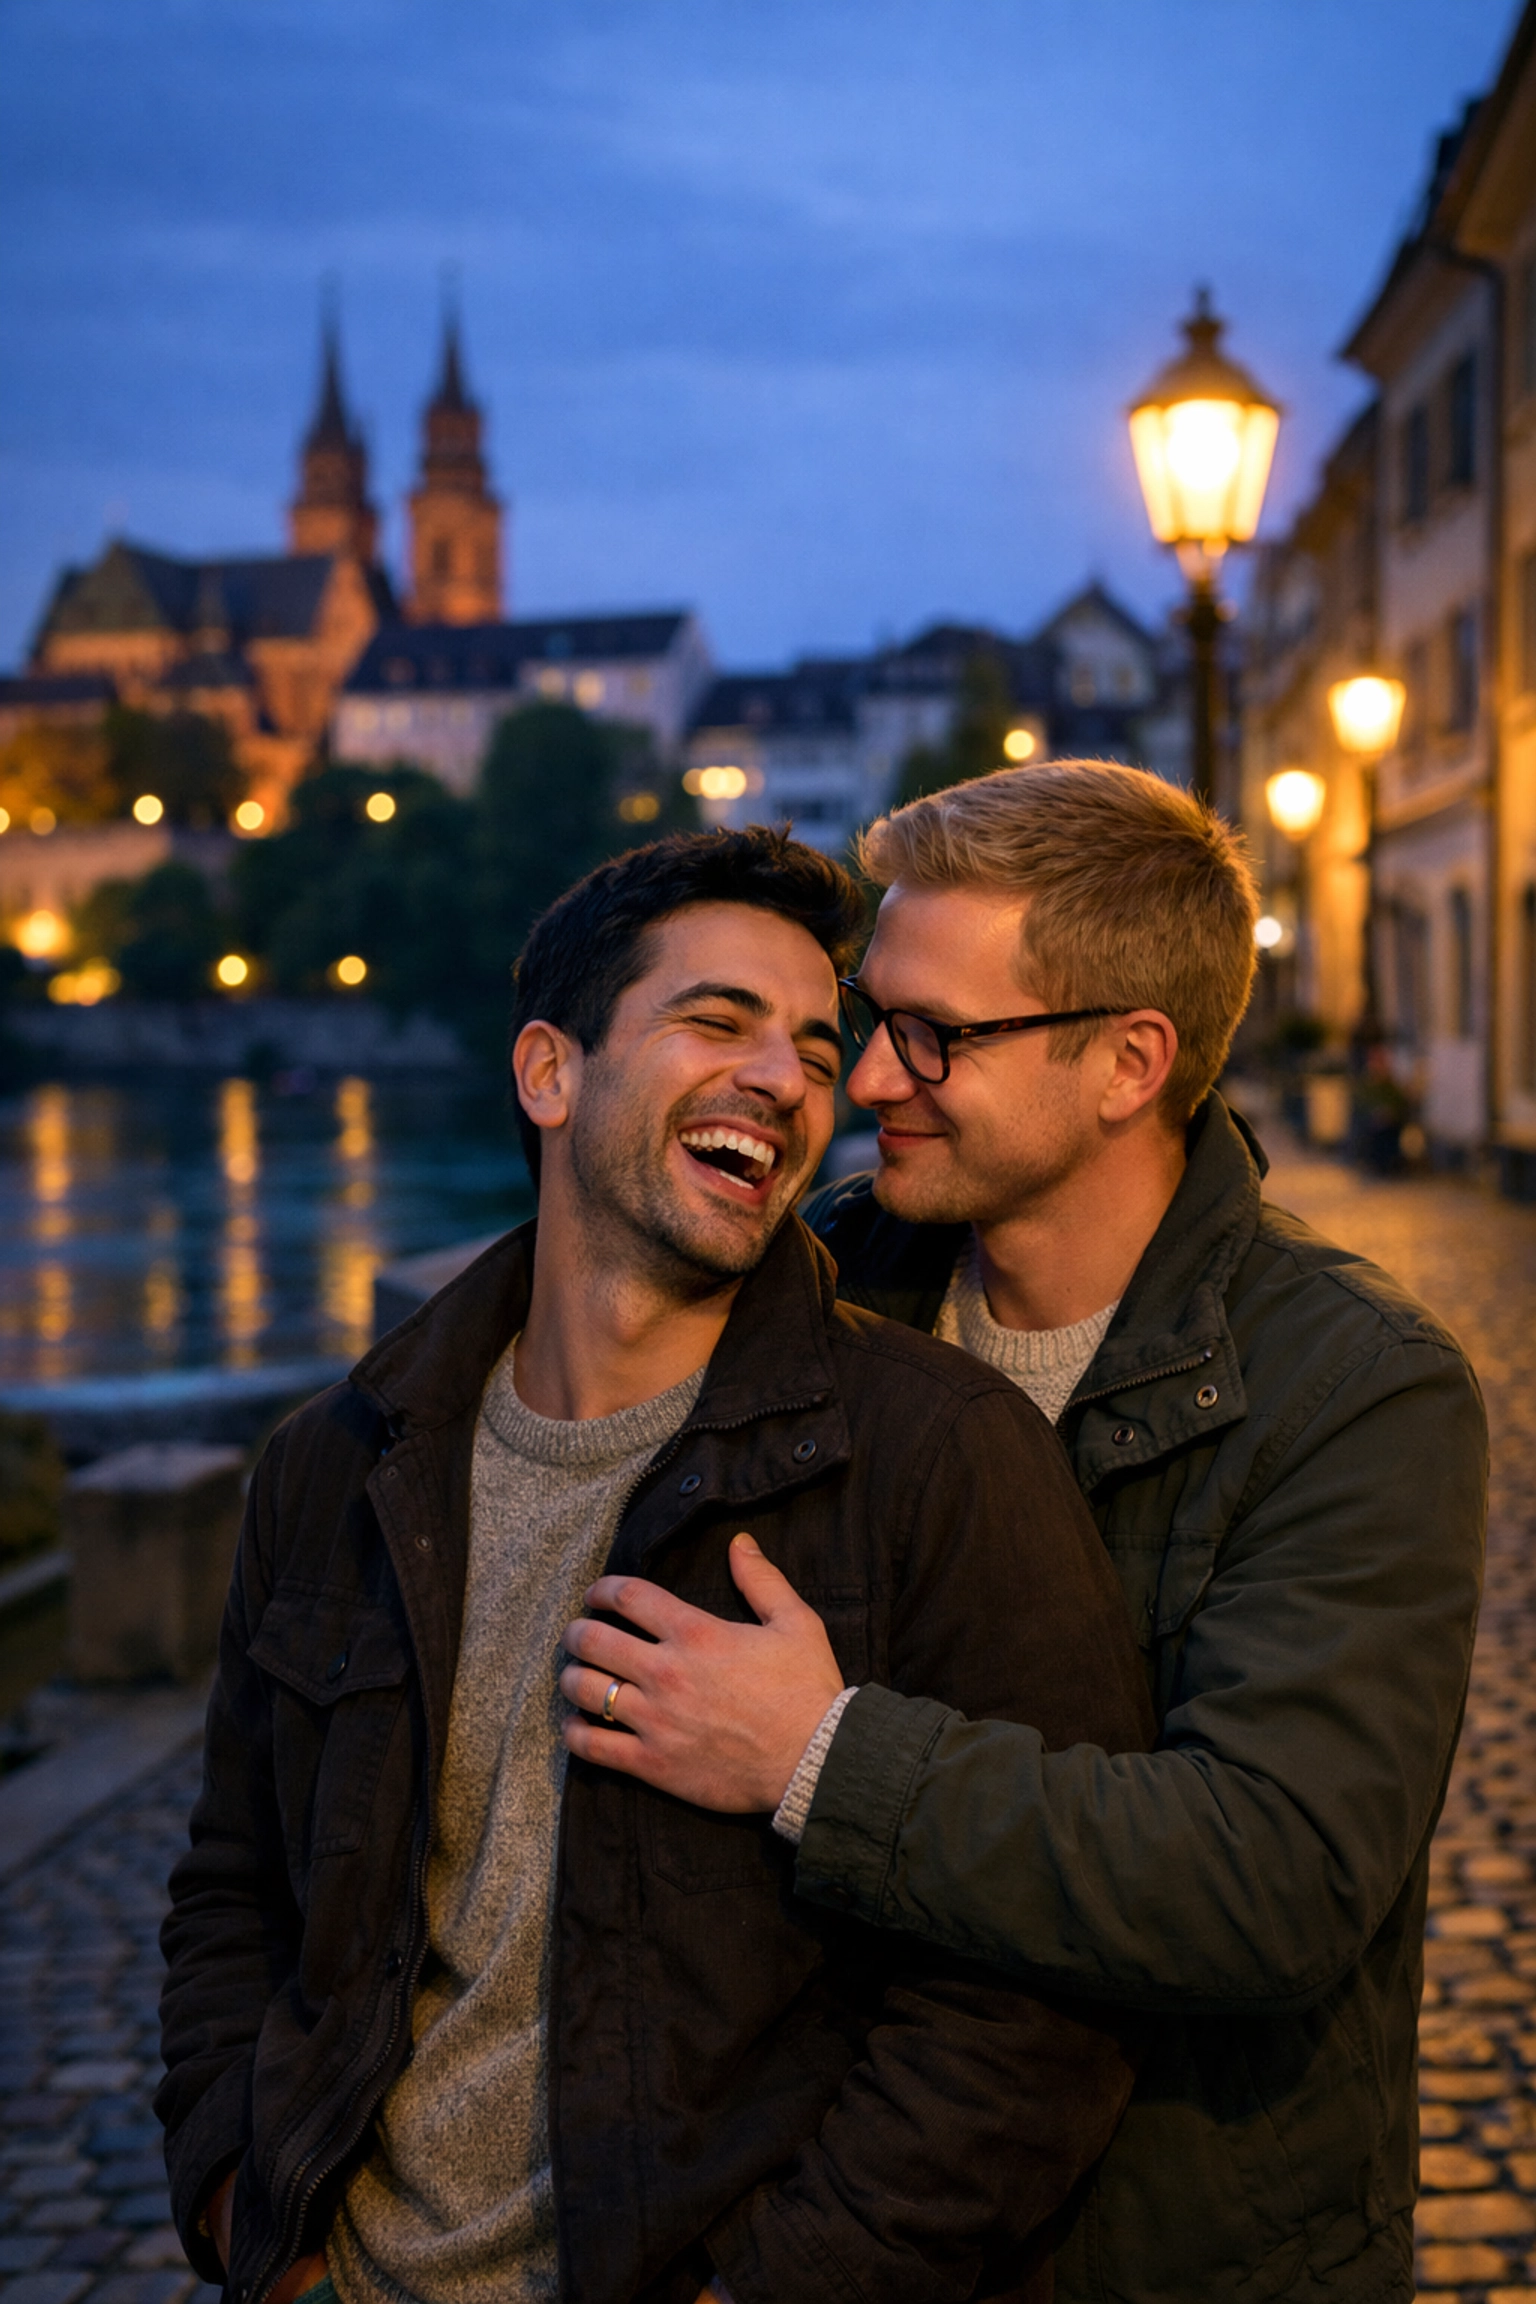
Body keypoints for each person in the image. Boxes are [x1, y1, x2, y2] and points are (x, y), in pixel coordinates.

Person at [158, 824, 1154, 2304]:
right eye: (719, 1022)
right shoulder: (337, 1465)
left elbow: (1037, 2005)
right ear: (550, 1073)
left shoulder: (934, 1456)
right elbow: (235, 1891)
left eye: (819, 1050)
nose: (790, 1080)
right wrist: (249, 2217)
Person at [560, 765, 1489, 2304]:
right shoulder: (828, 1285)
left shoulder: (1359, 1388)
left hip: (1177, 2252)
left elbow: (1275, 1876)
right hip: (830, 2226)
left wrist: (814, 1756)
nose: (867, 1081)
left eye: (940, 1037)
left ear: (1129, 1062)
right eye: (876, 1020)